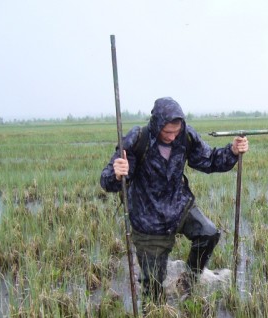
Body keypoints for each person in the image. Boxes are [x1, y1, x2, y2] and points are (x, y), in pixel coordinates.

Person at [100, 97, 248, 304]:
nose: (171, 136)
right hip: (147, 217)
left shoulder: (185, 136)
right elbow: (107, 182)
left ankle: (188, 280)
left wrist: (232, 151)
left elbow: (209, 160)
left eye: (175, 131)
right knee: (153, 285)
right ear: (156, 125)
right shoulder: (138, 139)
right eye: (167, 132)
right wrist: (117, 174)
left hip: (179, 206)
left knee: (208, 233)